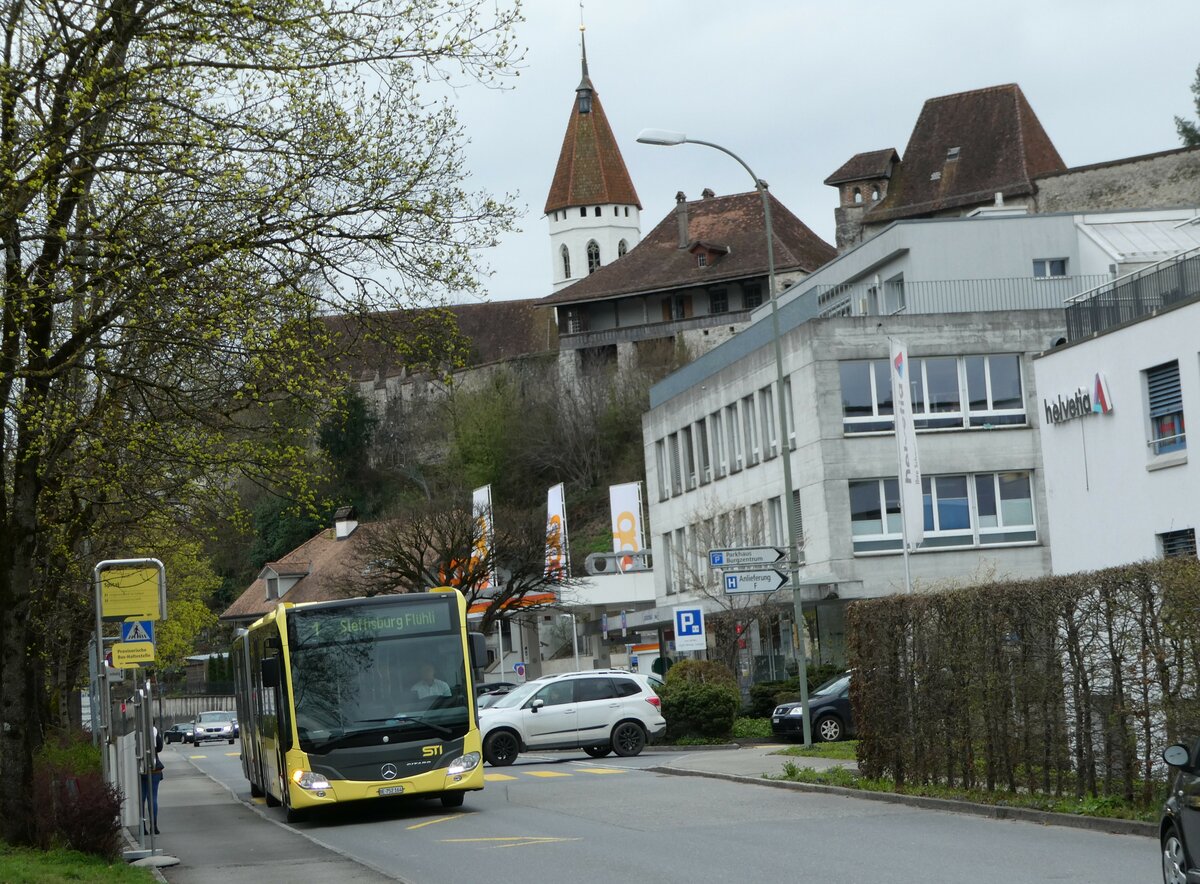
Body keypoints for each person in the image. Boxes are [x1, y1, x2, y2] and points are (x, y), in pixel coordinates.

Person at [140, 725, 164, 835]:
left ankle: (142, 826)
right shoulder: (154, 730)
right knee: (153, 797)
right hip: (154, 767)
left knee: (141, 798)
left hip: (140, 767)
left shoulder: (136, 733)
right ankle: (154, 826)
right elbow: (159, 747)